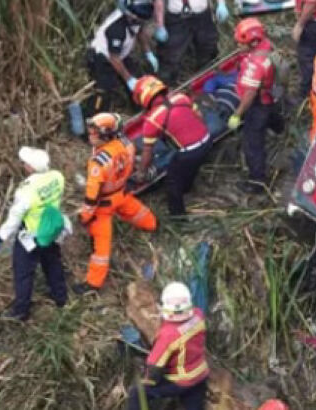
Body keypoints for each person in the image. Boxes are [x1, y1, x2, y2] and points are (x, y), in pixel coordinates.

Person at [76, 114, 157, 293]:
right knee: (140, 214)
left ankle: (93, 284)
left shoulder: (98, 163)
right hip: (121, 193)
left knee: (101, 248)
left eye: (93, 133)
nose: (90, 136)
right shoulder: (127, 145)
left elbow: (92, 196)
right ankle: (153, 225)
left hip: (103, 206)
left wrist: (85, 216)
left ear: (105, 135)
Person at [0, 147, 69, 320]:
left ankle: (21, 310)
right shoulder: (57, 177)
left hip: (31, 236)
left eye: (25, 164)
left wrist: (1, 236)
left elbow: (15, 216)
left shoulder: (26, 190)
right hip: (51, 230)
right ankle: (60, 297)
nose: (23, 166)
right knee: (52, 263)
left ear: (30, 168)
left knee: (23, 272)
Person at [133, 77, 213, 217]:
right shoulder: (181, 97)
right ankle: (187, 188)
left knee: (172, 181)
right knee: (190, 166)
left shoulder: (151, 120)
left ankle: (178, 216)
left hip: (189, 151)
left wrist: (141, 173)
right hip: (207, 140)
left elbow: (148, 153)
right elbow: (199, 116)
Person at [125, 282, 209, 410]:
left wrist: (147, 380)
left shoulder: (169, 333)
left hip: (181, 380)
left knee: (137, 393)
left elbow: (154, 366)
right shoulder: (198, 315)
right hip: (201, 374)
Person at [226, 18, 285, 194]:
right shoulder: (266, 46)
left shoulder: (255, 65)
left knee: (252, 144)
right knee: (273, 115)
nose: (238, 46)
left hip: (258, 104)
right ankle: (280, 128)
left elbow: (249, 95)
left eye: (241, 43)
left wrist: (238, 114)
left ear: (253, 42)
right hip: (270, 95)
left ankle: (257, 181)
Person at [87, 0, 159, 115]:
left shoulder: (135, 19)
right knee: (104, 90)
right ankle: (94, 120)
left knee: (138, 81)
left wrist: (148, 53)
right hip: (103, 57)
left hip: (119, 54)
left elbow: (140, 32)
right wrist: (129, 79)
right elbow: (114, 58)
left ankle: (139, 110)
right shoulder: (116, 29)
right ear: (132, 16)